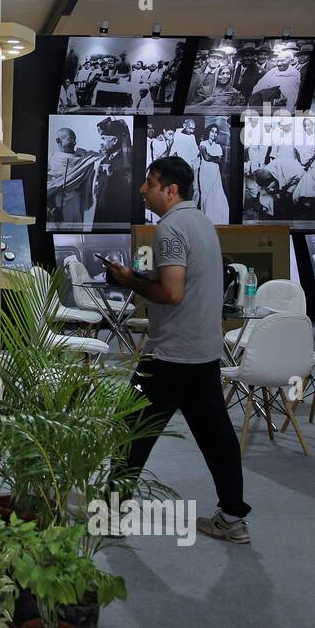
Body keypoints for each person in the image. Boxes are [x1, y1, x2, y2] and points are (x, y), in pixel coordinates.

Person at [106, 156, 252, 544]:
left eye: (150, 183)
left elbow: (172, 292)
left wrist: (129, 281)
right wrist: (138, 276)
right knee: (218, 438)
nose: (143, 189)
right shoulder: (201, 222)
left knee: (129, 433)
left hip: (170, 356)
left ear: (171, 190)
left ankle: (109, 516)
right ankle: (232, 518)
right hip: (203, 351)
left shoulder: (169, 229)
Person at [48, 128, 99, 226]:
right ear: (58, 141)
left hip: (76, 202)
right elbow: (48, 187)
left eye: (75, 140)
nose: (74, 142)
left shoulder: (83, 158)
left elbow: (98, 159)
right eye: (70, 139)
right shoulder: (51, 159)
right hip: (57, 204)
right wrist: (52, 209)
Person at [195, 123, 230, 224]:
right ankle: (206, 220)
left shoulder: (218, 146)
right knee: (206, 196)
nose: (214, 134)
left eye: (216, 132)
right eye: (212, 131)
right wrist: (214, 158)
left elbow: (220, 160)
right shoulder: (203, 144)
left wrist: (212, 157)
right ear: (208, 132)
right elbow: (206, 157)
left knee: (217, 195)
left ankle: (217, 220)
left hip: (215, 173)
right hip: (205, 173)